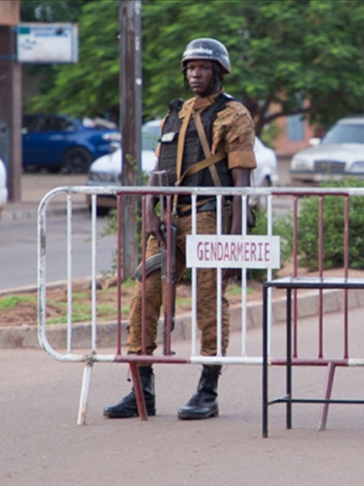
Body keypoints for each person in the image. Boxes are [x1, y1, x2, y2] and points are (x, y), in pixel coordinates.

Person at [103, 38, 257, 420]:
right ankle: (142, 388)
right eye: (190, 67)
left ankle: (208, 390)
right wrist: (149, 210)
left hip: (210, 216)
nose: (195, 74)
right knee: (145, 296)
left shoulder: (234, 115)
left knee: (208, 301)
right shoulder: (174, 114)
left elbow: (242, 185)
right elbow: (158, 170)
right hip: (170, 220)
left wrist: (236, 241)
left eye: (203, 68)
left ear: (218, 71)